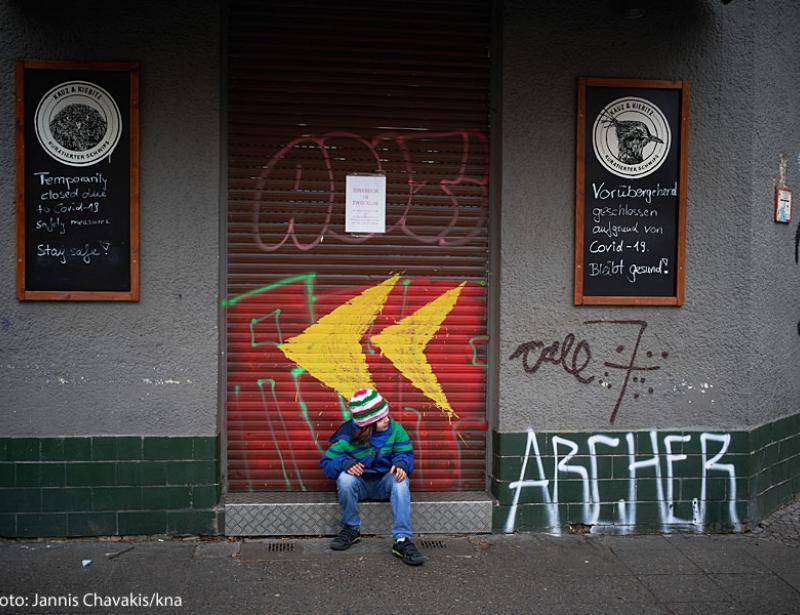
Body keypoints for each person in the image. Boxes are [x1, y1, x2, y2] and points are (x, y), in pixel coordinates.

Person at [320, 388, 425, 566]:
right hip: (359, 486)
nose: (387, 420)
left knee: (401, 480)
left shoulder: (395, 430)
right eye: (381, 418)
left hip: (384, 484)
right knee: (344, 478)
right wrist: (344, 463)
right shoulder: (347, 437)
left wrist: (401, 465)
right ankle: (351, 528)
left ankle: (401, 540)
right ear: (367, 425)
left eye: (386, 415)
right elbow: (327, 464)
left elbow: (406, 455)